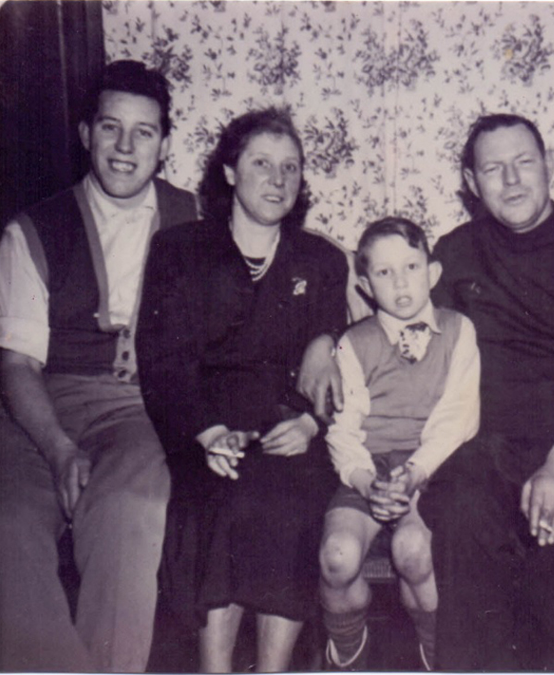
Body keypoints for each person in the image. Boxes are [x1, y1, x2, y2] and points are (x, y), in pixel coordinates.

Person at [0, 60, 197, 672]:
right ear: (85, 134)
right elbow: (17, 365)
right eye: (110, 128)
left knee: (132, 507)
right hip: (32, 406)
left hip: (138, 408)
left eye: (144, 132)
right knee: (4, 523)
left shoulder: (201, 220)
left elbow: (293, 263)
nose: (125, 149)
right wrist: (56, 449)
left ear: (165, 142)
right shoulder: (32, 230)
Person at [412, 113, 554, 670]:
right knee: (463, 513)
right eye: (494, 169)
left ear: (549, 166)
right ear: (471, 182)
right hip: (487, 447)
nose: (512, 181)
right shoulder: (455, 252)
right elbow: (407, 330)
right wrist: (329, 342)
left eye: (524, 164)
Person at [135, 107, 347, 673]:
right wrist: (207, 434)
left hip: (289, 430)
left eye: (291, 167)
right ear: (230, 171)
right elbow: (163, 362)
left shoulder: (322, 260)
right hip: (203, 425)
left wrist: (309, 423)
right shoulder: (179, 250)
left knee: (289, 499)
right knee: (219, 499)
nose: (278, 181)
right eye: (261, 164)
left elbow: (337, 364)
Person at [319, 217, 480, 670]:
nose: (401, 282)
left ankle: (435, 650)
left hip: (432, 466)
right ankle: (348, 646)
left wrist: (414, 473)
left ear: (432, 273)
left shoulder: (458, 331)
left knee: (413, 549)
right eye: (384, 273)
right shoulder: (354, 342)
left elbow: (457, 419)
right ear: (366, 284)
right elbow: (343, 428)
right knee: (337, 556)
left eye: (411, 267)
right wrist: (368, 484)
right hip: (369, 469)